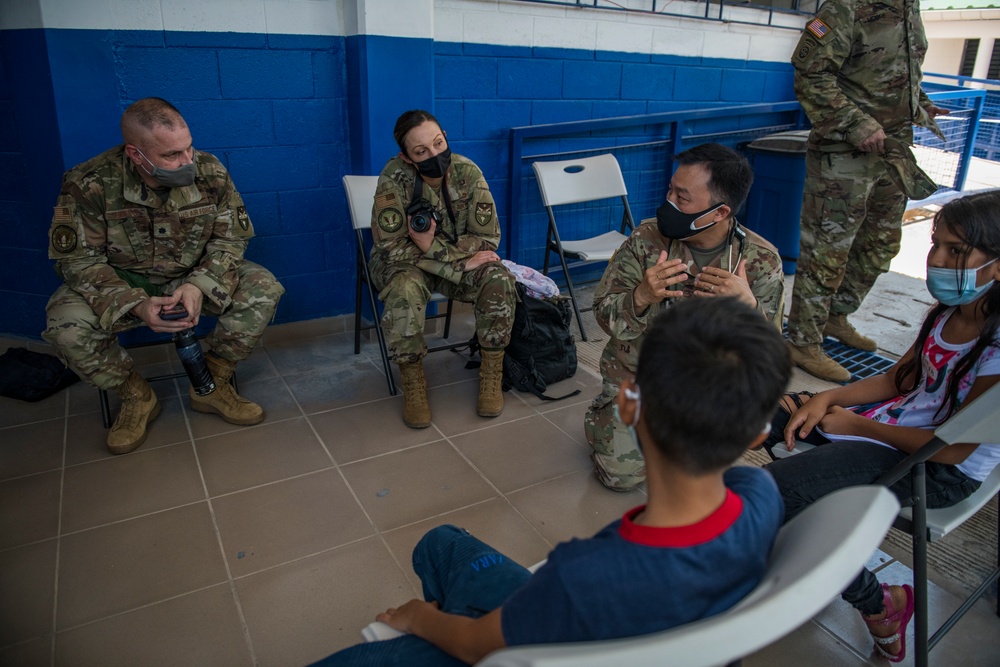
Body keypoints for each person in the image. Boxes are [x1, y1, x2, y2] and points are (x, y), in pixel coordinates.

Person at [312, 297, 792, 666]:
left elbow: (479, 648)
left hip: (529, 643)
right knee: (441, 544)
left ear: (628, 403)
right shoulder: (761, 497)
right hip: (580, 625)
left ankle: (437, 614)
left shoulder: (585, 575)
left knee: (437, 554)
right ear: (756, 433)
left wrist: (419, 618)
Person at [764, 191, 1000, 662]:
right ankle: (782, 545)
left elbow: (951, 450)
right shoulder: (948, 314)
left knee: (778, 494)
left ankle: (881, 605)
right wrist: (828, 397)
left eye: (956, 251)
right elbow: (898, 378)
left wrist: (854, 424)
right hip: (895, 430)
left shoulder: (996, 346)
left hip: (935, 468)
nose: (937, 259)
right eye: (936, 244)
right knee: (763, 418)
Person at [43, 97, 284, 455]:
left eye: (188, 148)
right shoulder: (90, 184)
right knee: (65, 323)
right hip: (123, 282)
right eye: (171, 155)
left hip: (191, 274)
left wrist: (199, 284)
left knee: (263, 288)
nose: (187, 162)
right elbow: (77, 261)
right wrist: (134, 304)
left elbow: (230, 237)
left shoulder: (210, 171)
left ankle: (212, 382)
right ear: (136, 155)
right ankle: (136, 395)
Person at [584, 143, 785, 491]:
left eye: (683, 197)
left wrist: (749, 310)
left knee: (696, 476)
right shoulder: (646, 240)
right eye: (670, 190)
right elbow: (604, 317)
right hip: (639, 379)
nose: (669, 202)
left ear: (719, 212)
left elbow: (770, 357)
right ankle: (608, 415)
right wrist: (642, 296)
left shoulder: (760, 260)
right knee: (621, 477)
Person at [785, 0, 950, 382]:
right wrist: (857, 123)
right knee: (827, 251)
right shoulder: (847, 7)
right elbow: (811, 75)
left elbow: (890, 72)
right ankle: (803, 341)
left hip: (892, 149)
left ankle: (835, 317)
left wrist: (919, 103)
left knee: (880, 244)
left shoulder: (909, 8)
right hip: (844, 153)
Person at [370, 110, 516, 428]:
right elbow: (391, 247)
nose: (435, 154)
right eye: (421, 152)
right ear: (406, 157)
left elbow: (487, 237)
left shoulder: (467, 171)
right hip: (406, 264)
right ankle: (412, 382)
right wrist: (449, 256)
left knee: (498, 278)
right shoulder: (393, 178)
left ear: (445, 136)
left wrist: (444, 254)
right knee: (403, 289)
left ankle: (492, 371)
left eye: (438, 143)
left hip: (452, 262)